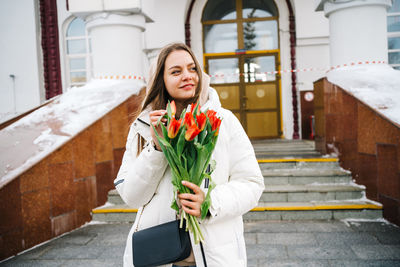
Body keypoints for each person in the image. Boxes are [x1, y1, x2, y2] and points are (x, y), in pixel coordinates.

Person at [114, 42, 264, 267]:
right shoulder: (143, 127)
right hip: (160, 256)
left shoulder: (223, 121)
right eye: (176, 71)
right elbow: (132, 196)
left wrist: (209, 202)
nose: (188, 76)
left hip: (215, 255)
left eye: (192, 69)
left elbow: (251, 183)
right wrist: (156, 147)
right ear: (160, 80)